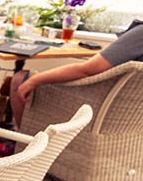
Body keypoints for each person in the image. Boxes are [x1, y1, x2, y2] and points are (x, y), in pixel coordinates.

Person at [9, 21, 143, 132]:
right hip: (131, 117)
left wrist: (34, 80)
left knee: (19, 79)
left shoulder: (140, 34)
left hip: (101, 111)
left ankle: (27, 147)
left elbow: (88, 70)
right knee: (9, 84)